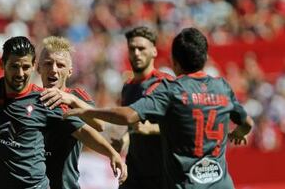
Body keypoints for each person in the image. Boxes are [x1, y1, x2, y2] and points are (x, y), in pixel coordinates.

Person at [0, 0, 127, 189]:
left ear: (32, 67)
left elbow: (86, 130)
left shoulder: (46, 100)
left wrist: (112, 153)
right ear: (2, 64)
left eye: (25, 67)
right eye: (14, 67)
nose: (20, 73)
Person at [65, 27, 254, 189]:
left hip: (186, 183)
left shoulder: (172, 90)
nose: (136, 53)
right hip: (221, 184)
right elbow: (247, 123)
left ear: (174, 61)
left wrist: (85, 110)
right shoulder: (222, 87)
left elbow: (129, 116)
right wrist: (239, 132)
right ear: (205, 57)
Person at [37, 36, 105, 189]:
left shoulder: (78, 96)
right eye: (48, 63)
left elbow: (100, 125)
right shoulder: (31, 98)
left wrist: (72, 101)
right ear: (38, 68)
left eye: (60, 65)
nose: (53, 69)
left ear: (69, 72)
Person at [113, 26, 173, 189]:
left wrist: (152, 128)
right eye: (132, 49)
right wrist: (123, 141)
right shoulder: (128, 87)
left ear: (154, 51)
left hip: (162, 173)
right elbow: (133, 128)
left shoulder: (166, 84)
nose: (137, 53)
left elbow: (181, 125)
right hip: (135, 172)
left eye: (141, 48)